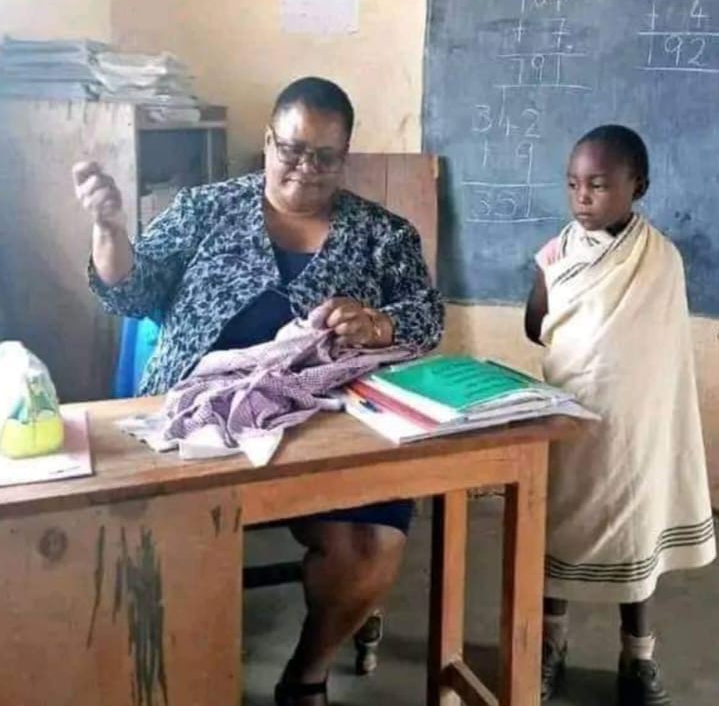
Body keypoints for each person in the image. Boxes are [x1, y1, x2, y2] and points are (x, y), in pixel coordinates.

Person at [77, 77, 445, 706]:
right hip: (200, 425)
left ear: (346, 156)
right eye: (292, 150)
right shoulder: (205, 211)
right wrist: (110, 230)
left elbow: (427, 317)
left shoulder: (384, 235)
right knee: (148, 546)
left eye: (325, 157)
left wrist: (379, 322)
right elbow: (130, 292)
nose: (305, 169)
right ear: (268, 142)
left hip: (328, 429)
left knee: (370, 545)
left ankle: (306, 673)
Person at [522, 125, 716, 706]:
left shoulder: (660, 261)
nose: (583, 197)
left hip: (636, 427)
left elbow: (664, 350)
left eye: (600, 185)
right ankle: (551, 645)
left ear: (638, 187)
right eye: (574, 184)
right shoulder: (555, 255)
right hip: (571, 415)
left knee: (636, 536)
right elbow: (537, 326)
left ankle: (638, 655)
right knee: (556, 526)